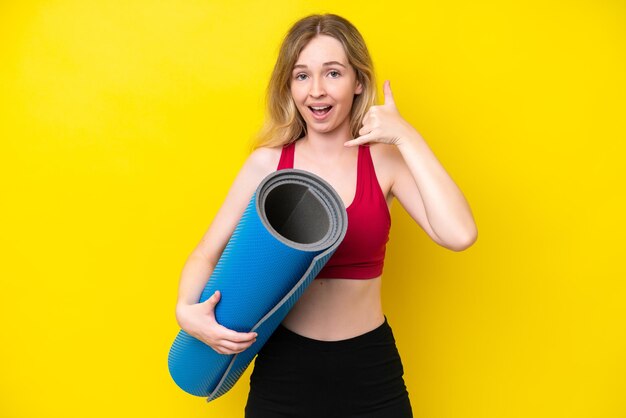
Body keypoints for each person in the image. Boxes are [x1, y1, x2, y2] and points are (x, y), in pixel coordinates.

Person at [175, 13, 477, 418]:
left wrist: (407, 136)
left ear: (358, 82)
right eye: (301, 76)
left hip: (370, 368)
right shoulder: (267, 165)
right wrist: (185, 310)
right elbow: (205, 254)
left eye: (332, 73)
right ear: (289, 85)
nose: (316, 91)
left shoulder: (384, 161)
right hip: (284, 368)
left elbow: (458, 234)